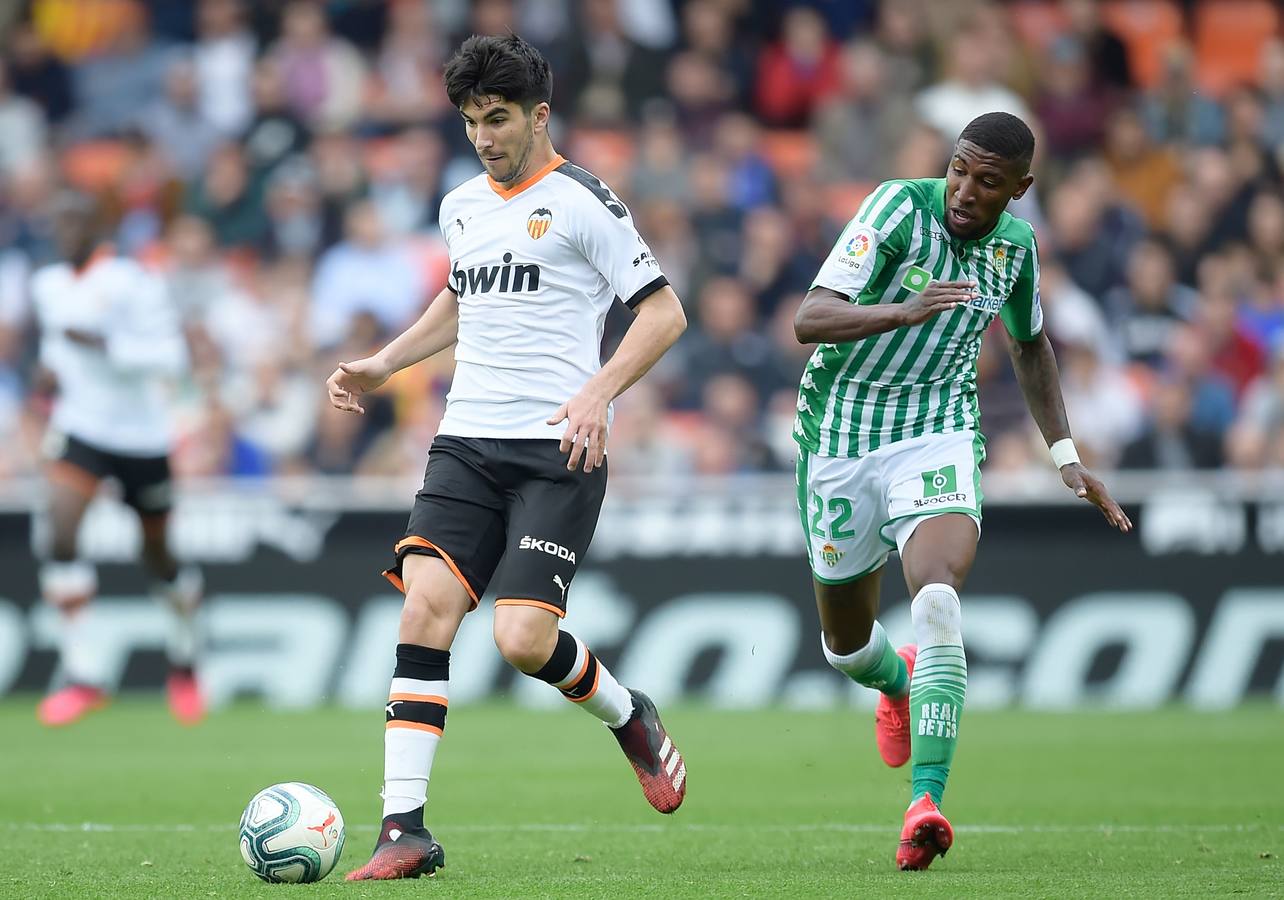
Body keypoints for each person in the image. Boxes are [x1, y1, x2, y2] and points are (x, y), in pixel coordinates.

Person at [326, 34, 689, 882]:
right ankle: (403, 829)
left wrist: (599, 392)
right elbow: (462, 295)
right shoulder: (460, 206)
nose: (484, 137)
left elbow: (664, 313)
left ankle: (628, 713)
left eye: (497, 119)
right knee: (424, 612)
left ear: (539, 116)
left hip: (557, 448)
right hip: (466, 443)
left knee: (524, 641)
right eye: (469, 121)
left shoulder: (582, 203)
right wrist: (386, 363)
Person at [791, 112, 1131, 871]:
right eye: (959, 170)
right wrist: (901, 310)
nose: (966, 191)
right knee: (846, 647)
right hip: (840, 438)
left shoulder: (1015, 249)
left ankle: (926, 802)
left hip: (937, 431)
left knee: (938, 596)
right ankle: (898, 680)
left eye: (987, 181)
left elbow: (1030, 341)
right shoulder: (897, 209)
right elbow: (809, 318)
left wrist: (1065, 455)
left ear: (1021, 189)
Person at [31, 193, 202, 727]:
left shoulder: (133, 281)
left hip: (142, 437)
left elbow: (171, 358)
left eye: (75, 220)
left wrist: (105, 346)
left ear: (99, 225)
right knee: (59, 533)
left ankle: (185, 658)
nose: (65, 231)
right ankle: (84, 674)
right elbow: (57, 352)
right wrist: (49, 374)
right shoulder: (48, 285)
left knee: (157, 554)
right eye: (58, 221)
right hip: (82, 428)